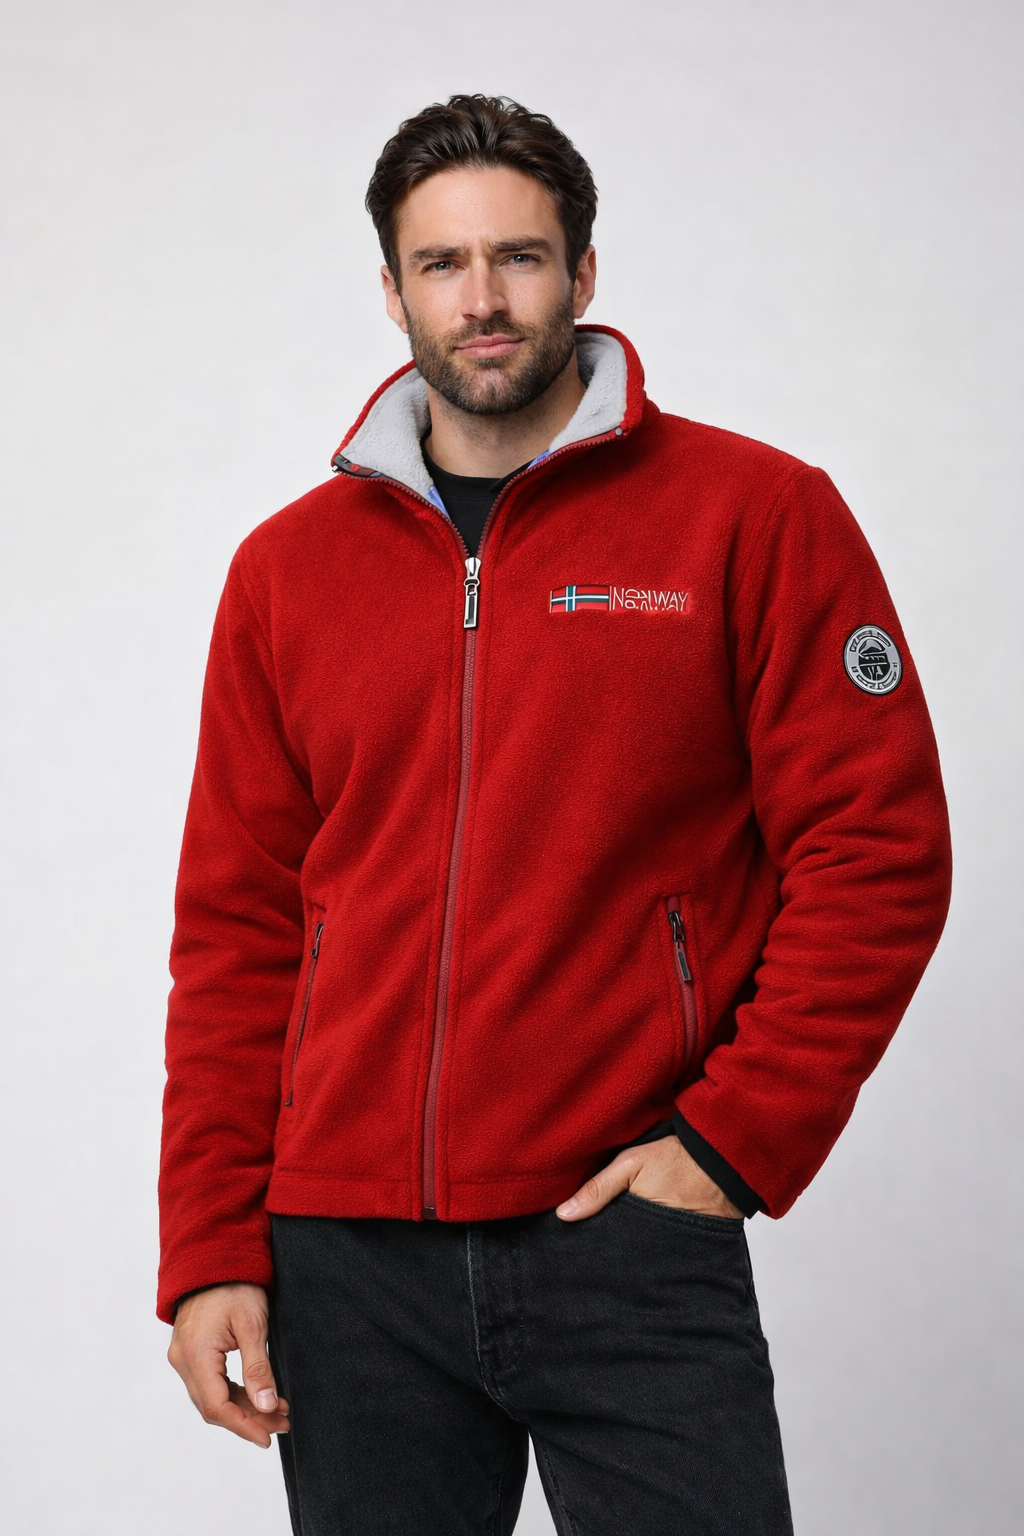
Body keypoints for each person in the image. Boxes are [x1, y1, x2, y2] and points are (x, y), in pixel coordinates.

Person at [159, 94, 952, 1534]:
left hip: (626, 1229)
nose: (482, 299)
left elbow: (877, 854)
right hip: (346, 1259)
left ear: (582, 272)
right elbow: (237, 928)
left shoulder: (753, 516)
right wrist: (212, 1242)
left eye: (518, 257)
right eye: (442, 263)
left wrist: (731, 1144)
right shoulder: (287, 571)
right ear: (392, 288)